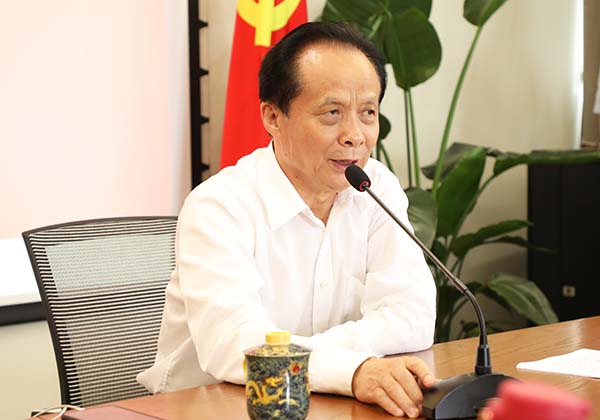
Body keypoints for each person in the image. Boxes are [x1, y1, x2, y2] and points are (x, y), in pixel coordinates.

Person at [138, 21, 437, 418]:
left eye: (368, 112)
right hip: (211, 408)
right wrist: (349, 369)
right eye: (332, 113)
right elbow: (234, 343)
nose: (355, 135)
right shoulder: (219, 206)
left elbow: (412, 314)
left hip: (326, 406)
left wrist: (326, 358)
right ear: (273, 117)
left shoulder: (375, 187)